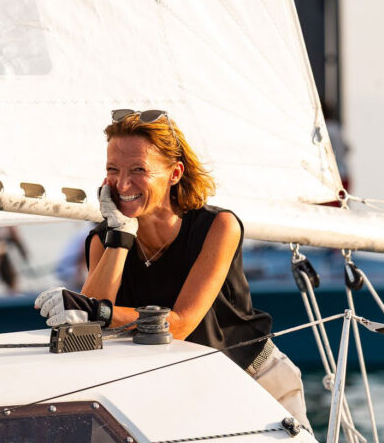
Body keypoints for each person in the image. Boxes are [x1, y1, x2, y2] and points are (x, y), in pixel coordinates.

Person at [34, 109, 311, 430]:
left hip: (254, 379)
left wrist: (103, 313)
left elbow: (178, 325)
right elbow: (87, 328)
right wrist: (121, 235)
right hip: (180, 387)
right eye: (112, 169)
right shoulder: (104, 241)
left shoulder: (218, 227)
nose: (122, 183)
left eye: (138, 169)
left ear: (175, 173)